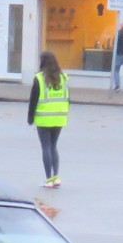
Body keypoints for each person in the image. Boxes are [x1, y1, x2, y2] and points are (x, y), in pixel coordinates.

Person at [26, 51, 70, 188]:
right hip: (59, 117)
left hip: (44, 118)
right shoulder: (63, 77)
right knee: (53, 146)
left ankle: (48, 179)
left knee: (46, 147)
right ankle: (56, 177)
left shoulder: (39, 78)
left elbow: (33, 100)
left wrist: (30, 117)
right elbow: (68, 98)